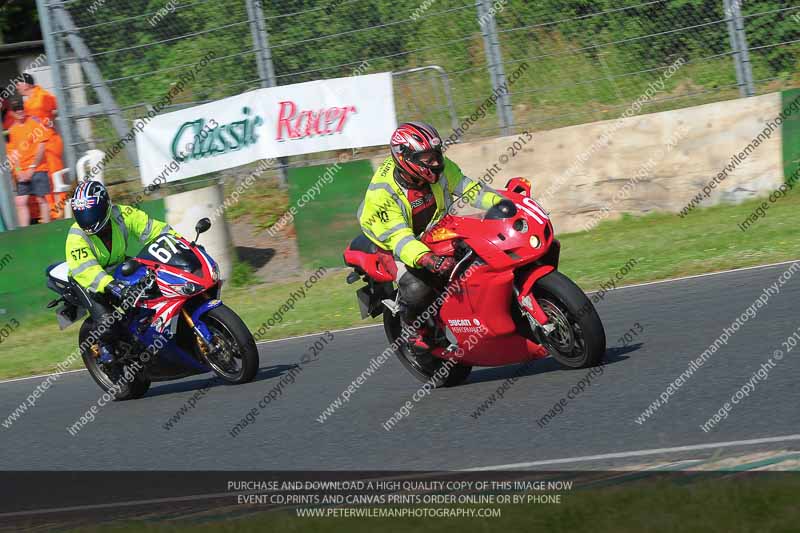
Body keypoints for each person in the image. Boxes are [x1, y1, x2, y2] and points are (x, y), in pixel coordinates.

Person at [358, 121, 501, 352]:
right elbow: (402, 241)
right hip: (390, 244)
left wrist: (503, 204)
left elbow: (471, 189)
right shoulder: (382, 194)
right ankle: (412, 329)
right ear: (405, 158)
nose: (436, 162)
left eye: (436, 154)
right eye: (427, 158)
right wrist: (429, 259)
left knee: (483, 248)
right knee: (417, 286)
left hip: (433, 229)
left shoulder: (440, 169)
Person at [66, 180, 180, 362]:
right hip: (89, 280)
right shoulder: (76, 237)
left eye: (91, 211)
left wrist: (179, 243)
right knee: (109, 325)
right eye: (82, 213)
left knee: (155, 286)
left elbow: (154, 229)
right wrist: (111, 285)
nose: (88, 218)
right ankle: (105, 348)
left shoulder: (123, 214)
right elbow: (88, 269)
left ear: (105, 206)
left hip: (118, 266)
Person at [7, 97, 51, 226]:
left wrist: (32, 168)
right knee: (20, 201)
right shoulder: (13, 130)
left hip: (37, 168)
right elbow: (14, 153)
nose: (19, 111)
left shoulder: (34, 123)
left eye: (21, 108)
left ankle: (48, 227)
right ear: (12, 112)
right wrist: (19, 171)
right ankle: (25, 232)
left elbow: (41, 146)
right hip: (23, 171)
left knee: (40, 198)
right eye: (16, 109)